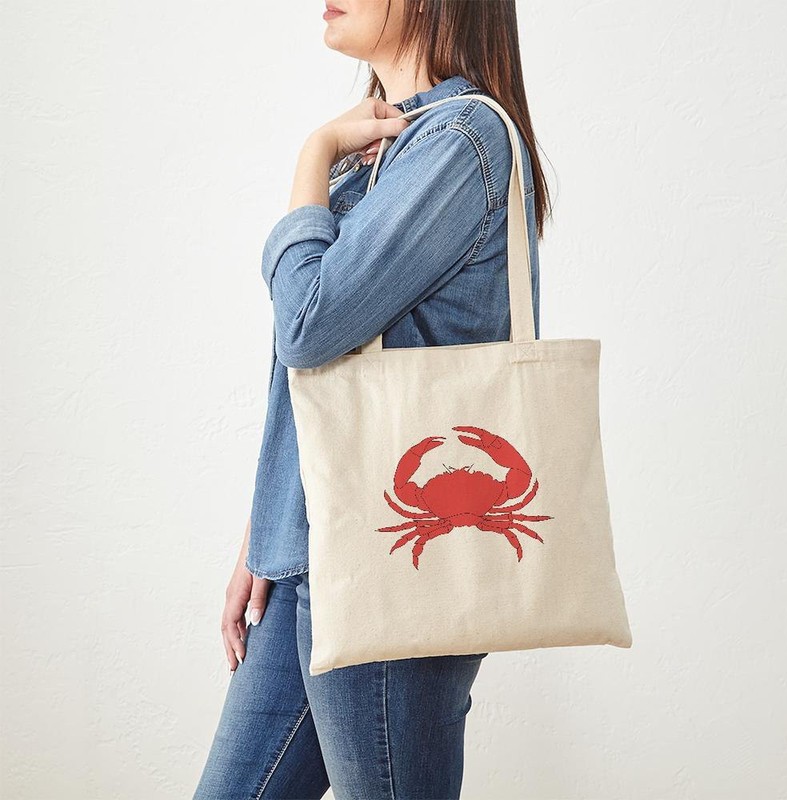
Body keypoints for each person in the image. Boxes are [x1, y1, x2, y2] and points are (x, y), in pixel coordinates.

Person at [193, 1, 551, 797]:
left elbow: (308, 324)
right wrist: (265, 532)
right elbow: (326, 377)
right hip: (311, 552)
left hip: (393, 564)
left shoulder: (463, 142)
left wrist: (312, 153)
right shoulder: (387, 148)